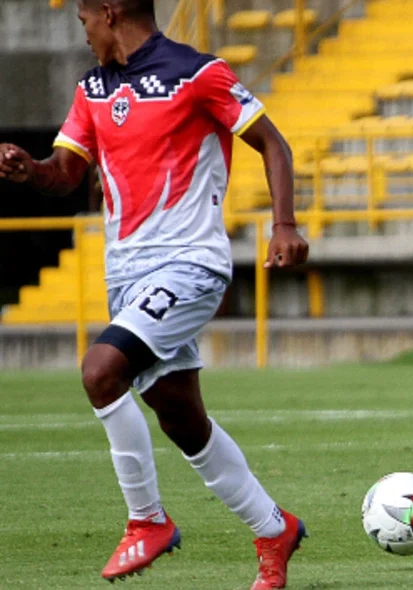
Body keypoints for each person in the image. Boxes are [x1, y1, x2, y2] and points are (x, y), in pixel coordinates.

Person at [0, 1, 309, 587]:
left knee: (100, 371)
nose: (83, 31)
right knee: (180, 416)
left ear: (111, 13)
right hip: (127, 276)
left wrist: (284, 225)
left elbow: (273, 144)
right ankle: (274, 528)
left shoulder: (197, 73)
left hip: (189, 265)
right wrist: (30, 169)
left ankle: (147, 520)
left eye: (85, 19)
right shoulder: (92, 89)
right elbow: (66, 173)